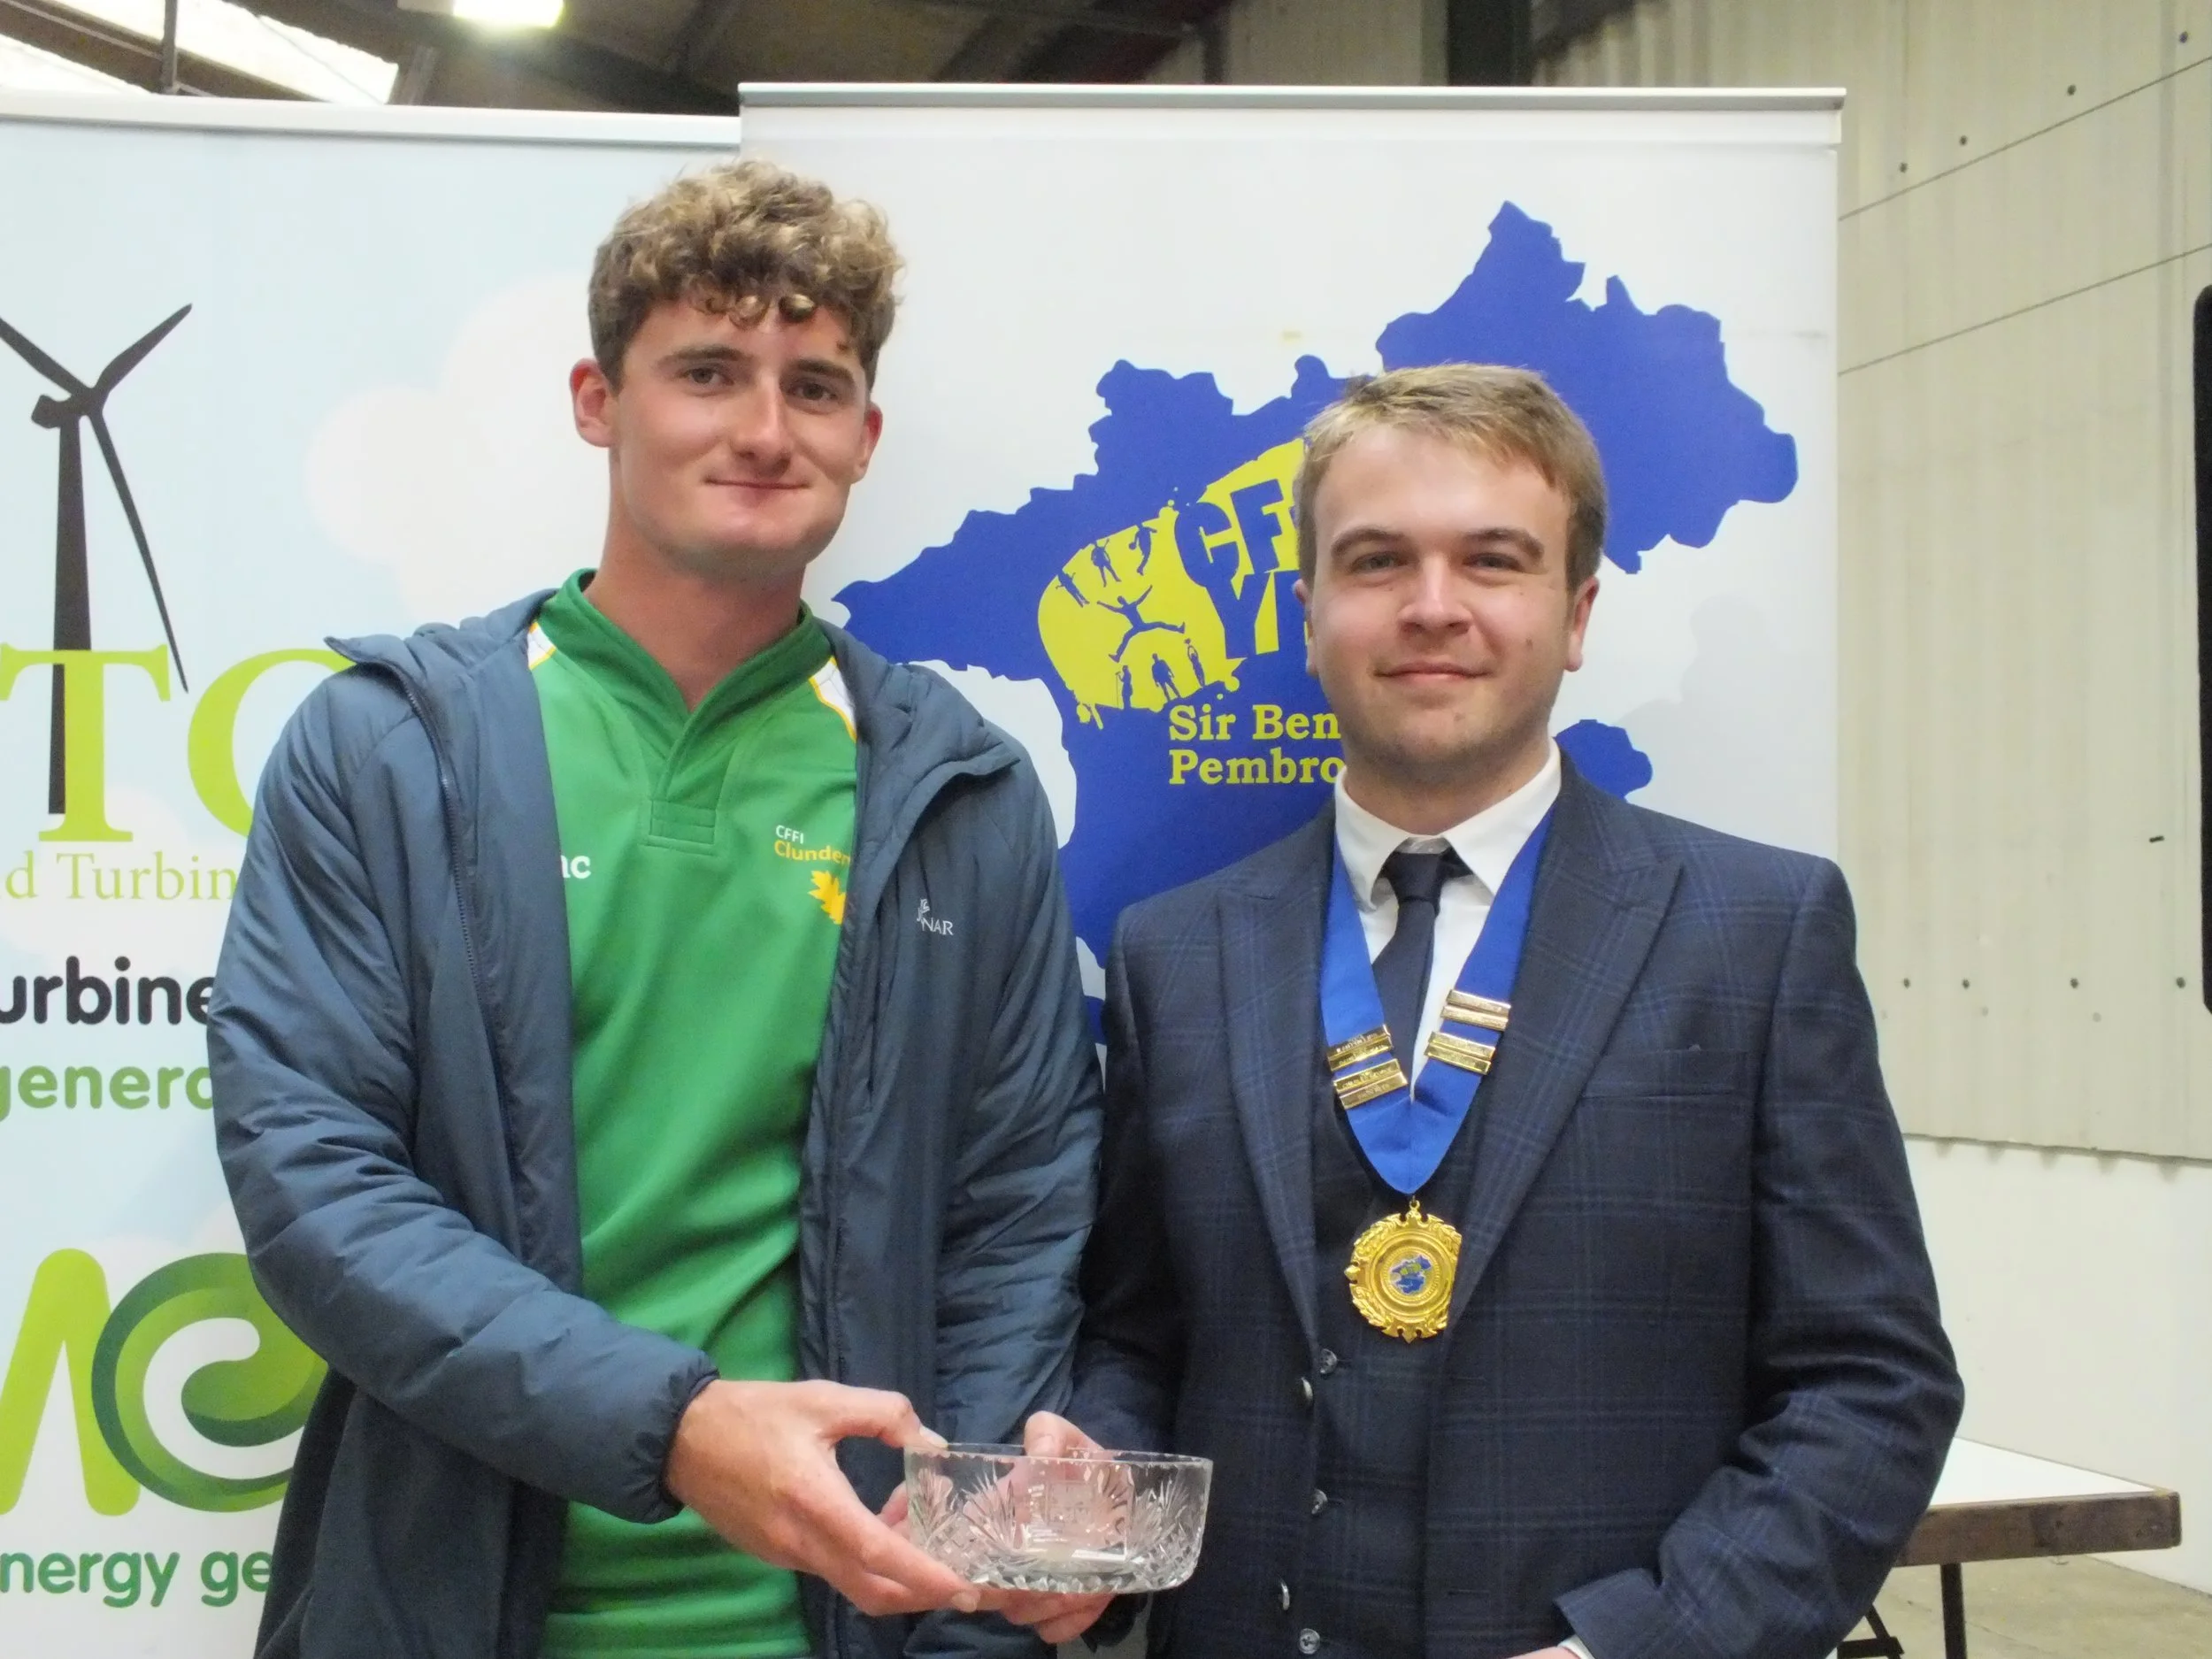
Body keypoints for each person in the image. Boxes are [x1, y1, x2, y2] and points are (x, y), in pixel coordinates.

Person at [210, 159, 1101, 1659]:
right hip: (449, 1612)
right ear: (595, 399)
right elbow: (316, 1185)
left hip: (840, 1626)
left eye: (814, 387)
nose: (764, 429)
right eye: (707, 371)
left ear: (866, 437)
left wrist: (972, 1595)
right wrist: (673, 1425)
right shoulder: (386, 748)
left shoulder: (959, 788)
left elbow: (1018, 1209)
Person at [1041, 365, 1964, 1658]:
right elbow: (1141, 1330)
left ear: (1576, 610)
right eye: (1376, 561)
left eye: (1492, 560)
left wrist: (1636, 1648)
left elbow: (1871, 1385)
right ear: (1307, 614)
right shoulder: (1174, 951)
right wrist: (1097, 1512)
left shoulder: (1758, 933)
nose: (1433, 608)